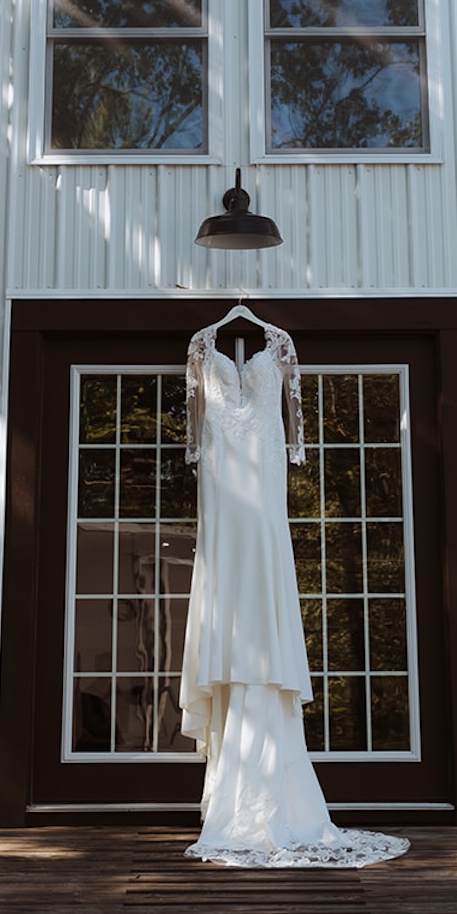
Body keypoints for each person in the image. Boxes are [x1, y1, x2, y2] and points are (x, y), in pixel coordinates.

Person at [180, 309, 408, 867]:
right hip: (223, 504)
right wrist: (196, 448)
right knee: (228, 597)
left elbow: (294, 431)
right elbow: (193, 434)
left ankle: (268, 798)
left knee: (261, 591)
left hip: (261, 501)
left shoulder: (280, 347)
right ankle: (236, 796)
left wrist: (291, 443)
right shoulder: (199, 348)